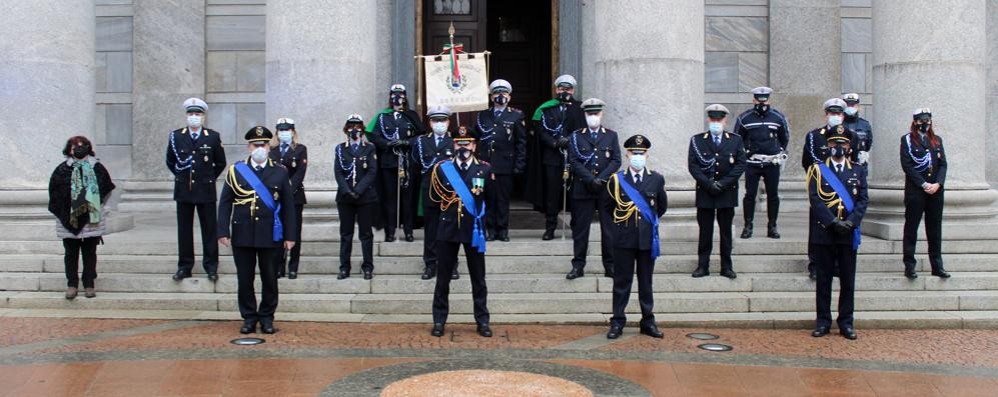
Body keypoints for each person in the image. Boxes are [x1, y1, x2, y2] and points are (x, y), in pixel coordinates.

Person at [217, 126, 298, 335]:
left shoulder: (280, 171)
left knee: (270, 278)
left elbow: (289, 206)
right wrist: (222, 230)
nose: (259, 148)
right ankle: (249, 318)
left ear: (269, 146)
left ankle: (267, 317)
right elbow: (225, 202)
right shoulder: (236, 170)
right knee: (245, 279)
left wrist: (290, 236)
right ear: (249, 147)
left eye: (263, 144)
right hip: (243, 232)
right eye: (255, 145)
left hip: (270, 234)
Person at [428, 127, 492, 338]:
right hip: (447, 229)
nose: (463, 147)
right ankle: (439, 320)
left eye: (467, 143)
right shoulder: (442, 169)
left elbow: (494, 200)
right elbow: (434, 201)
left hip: (473, 230)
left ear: (474, 146)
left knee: (478, 279)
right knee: (443, 278)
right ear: (453, 145)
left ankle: (482, 321)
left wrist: (486, 225)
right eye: (459, 143)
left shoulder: (484, 169)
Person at [806, 127, 868, 340]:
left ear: (849, 147)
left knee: (847, 281)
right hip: (825, 231)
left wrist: (851, 222)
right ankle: (823, 322)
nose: (838, 148)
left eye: (842, 144)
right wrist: (832, 222)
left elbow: (863, 200)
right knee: (823, 280)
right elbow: (815, 198)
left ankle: (846, 323)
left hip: (847, 233)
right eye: (834, 144)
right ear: (828, 146)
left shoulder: (858, 170)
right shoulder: (817, 170)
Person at [604, 134, 668, 340]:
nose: (637, 156)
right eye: (634, 153)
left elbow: (661, 207)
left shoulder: (656, 179)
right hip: (624, 239)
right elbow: (606, 209)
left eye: (641, 153)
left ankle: (648, 321)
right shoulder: (616, 180)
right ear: (627, 154)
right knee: (621, 282)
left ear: (647, 155)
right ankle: (617, 321)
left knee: (646, 282)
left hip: (647, 239)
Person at [165, 98, 226, 282]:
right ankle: (184, 266)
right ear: (186, 116)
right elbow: (170, 160)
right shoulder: (177, 136)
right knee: (184, 230)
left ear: (203, 117)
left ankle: (211, 266)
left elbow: (220, 162)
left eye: (197, 114)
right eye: (191, 114)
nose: (194, 117)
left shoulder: (212, 137)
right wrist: (181, 177)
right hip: (184, 189)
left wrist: (208, 178)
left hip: (205, 190)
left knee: (209, 229)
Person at [48, 136, 115, 299]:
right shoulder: (61, 170)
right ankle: (72, 284)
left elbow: (106, 189)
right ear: (69, 149)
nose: (78, 149)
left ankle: (89, 284)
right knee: (70, 253)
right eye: (74, 146)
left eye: (82, 146)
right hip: (68, 218)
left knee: (90, 252)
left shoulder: (97, 168)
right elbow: (55, 194)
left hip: (92, 219)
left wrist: (97, 207)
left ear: (88, 147)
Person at [801, 98, 860, 280]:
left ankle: (837, 265)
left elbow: (854, 163)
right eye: (832, 113)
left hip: (845, 193)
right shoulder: (814, 136)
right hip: (822, 190)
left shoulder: (851, 136)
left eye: (839, 114)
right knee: (818, 228)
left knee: (842, 230)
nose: (835, 117)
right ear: (826, 114)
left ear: (843, 115)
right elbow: (809, 161)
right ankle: (815, 264)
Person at [688, 104, 747, 279]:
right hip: (706, 192)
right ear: (708, 119)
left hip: (726, 192)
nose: (715, 122)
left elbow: (740, 165)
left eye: (718, 119)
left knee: (725, 232)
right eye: (712, 119)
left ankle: (726, 266)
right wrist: (708, 184)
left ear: (725, 120)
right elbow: (693, 166)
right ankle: (702, 266)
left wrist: (722, 184)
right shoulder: (697, 140)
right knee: (705, 232)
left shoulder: (735, 140)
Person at [566, 98, 621, 280]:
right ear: (585, 115)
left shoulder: (611, 135)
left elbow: (616, 160)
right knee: (581, 230)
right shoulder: (576, 135)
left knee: (609, 230)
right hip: (583, 188)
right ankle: (578, 265)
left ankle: (611, 265)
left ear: (601, 114)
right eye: (590, 114)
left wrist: (601, 178)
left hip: (605, 189)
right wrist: (590, 179)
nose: (593, 117)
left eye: (596, 113)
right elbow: (573, 161)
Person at [532, 74, 587, 240]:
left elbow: (583, 130)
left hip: (574, 158)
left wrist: (569, 141)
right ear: (556, 89)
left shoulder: (580, 109)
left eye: (568, 89)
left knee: (575, 194)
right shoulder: (547, 109)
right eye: (562, 88)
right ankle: (550, 227)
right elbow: (541, 131)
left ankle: (576, 227)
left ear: (573, 90)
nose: (565, 91)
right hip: (552, 157)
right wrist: (555, 143)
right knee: (552, 195)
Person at [369, 84, 425, 242]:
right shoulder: (382, 117)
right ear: (390, 97)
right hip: (389, 162)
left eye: (400, 94)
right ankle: (390, 231)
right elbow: (374, 135)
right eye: (394, 94)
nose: (397, 97)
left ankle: (408, 230)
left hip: (407, 163)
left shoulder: (411, 115)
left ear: (405, 96)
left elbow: (420, 135)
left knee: (407, 199)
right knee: (390, 198)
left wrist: (406, 142)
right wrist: (386, 144)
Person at [733, 87, 790, 239]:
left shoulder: (778, 117)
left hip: (771, 162)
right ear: (753, 100)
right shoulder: (744, 118)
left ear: (769, 99)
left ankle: (772, 226)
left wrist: (778, 151)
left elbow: (784, 138)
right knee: (750, 195)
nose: (762, 102)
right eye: (759, 99)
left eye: (765, 99)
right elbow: (737, 139)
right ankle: (748, 226)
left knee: (773, 195)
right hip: (752, 162)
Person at [474, 79, 526, 242]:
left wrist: (519, 164)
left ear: (509, 97)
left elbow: (521, 142)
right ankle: (490, 229)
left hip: (505, 164)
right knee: (486, 197)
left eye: (503, 93)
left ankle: (502, 230)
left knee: (503, 199)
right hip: (485, 165)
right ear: (491, 96)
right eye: (496, 93)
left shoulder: (516, 115)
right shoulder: (483, 115)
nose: (500, 96)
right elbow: (475, 139)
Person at [901, 108, 949, 279]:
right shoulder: (907, 140)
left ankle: (937, 266)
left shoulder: (936, 140)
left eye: (928, 120)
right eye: (922, 121)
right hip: (917, 191)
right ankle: (909, 265)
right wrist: (923, 184)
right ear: (915, 122)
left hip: (935, 191)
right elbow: (907, 165)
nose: (925, 124)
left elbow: (943, 164)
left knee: (935, 229)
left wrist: (938, 183)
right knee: (911, 228)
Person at [413, 106, 455, 280]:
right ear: (430, 122)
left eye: (443, 120)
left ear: (448, 122)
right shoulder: (421, 141)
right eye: (436, 120)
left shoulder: (455, 141)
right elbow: (416, 163)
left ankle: (451, 265)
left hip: (450, 193)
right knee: (431, 230)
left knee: (451, 230)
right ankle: (430, 264)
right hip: (429, 191)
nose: (439, 124)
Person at [334, 115, 378, 280]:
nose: (354, 129)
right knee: (346, 234)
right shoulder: (340, 148)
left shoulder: (370, 148)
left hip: (365, 197)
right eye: (351, 126)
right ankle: (344, 267)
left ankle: (368, 267)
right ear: (346, 129)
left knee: (366, 234)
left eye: (358, 126)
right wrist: (347, 191)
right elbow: (338, 172)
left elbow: (372, 171)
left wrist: (358, 190)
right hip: (345, 198)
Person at [269, 118, 307, 279]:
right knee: (279, 232)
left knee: (294, 232)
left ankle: (293, 267)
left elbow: (300, 173)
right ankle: (279, 266)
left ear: (293, 131)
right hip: (277, 198)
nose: (284, 133)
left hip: (294, 197)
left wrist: (288, 190)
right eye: (281, 130)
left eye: (287, 130)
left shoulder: (300, 149)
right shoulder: (273, 151)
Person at [842, 93, 873, 167]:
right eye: (848, 105)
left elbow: (868, 145)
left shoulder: (865, 125)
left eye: (852, 105)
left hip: (860, 165)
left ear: (858, 106)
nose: (850, 107)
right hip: (842, 164)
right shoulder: (839, 124)